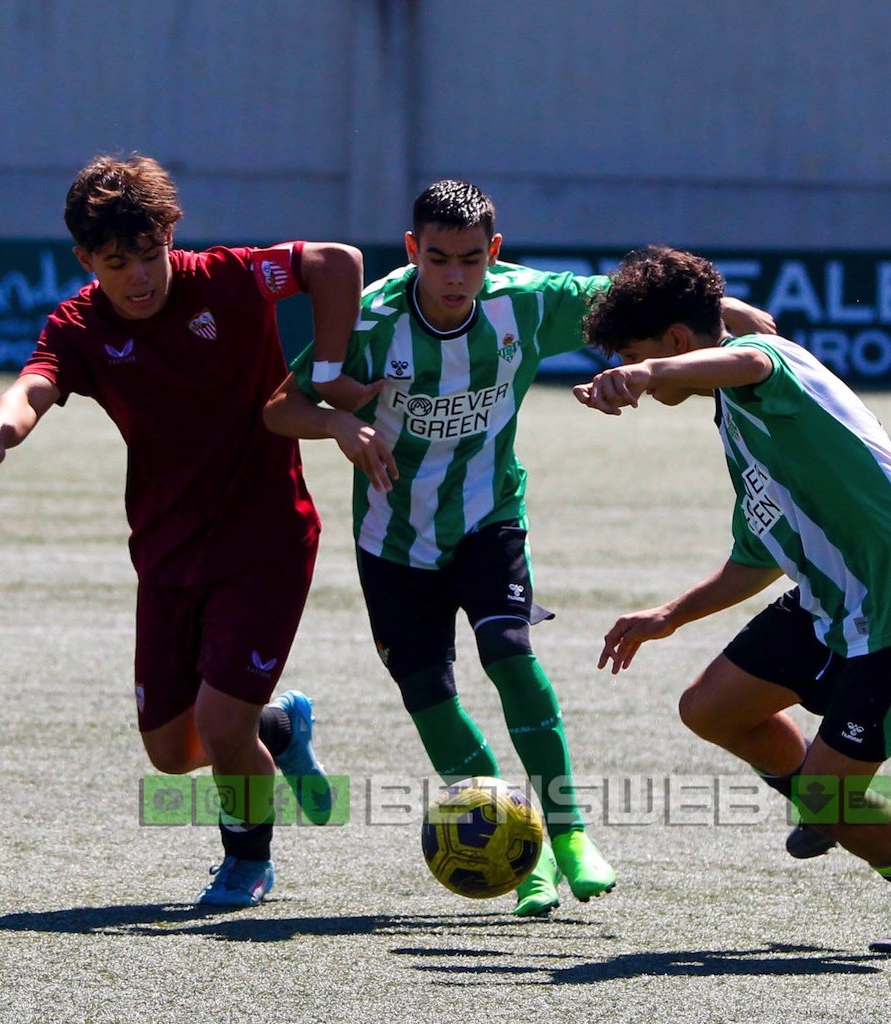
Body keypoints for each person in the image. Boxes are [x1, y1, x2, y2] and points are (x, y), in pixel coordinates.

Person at [264, 181, 775, 916]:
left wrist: (726, 314)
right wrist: (341, 427)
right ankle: (523, 852)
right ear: (412, 251)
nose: (453, 278)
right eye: (436, 259)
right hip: (392, 537)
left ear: (492, 255)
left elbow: (638, 298)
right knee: (428, 693)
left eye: (470, 260)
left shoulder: (527, 301)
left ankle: (568, 835)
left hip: (488, 515)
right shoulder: (373, 318)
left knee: (509, 649)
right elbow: (281, 407)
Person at [0, 154, 364, 908]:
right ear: (85, 260)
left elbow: (336, 261)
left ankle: (246, 861)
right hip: (165, 551)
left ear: (172, 235)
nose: (138, 277)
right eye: (115, 262)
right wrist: (1, 431)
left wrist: (327, 372)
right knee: (172, 752)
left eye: (149, 254)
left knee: (221, 729)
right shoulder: (81, 324)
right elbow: (35, 383)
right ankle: (282, 729)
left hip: (265, 541)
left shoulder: (229, 277)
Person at [573, 245, 891, 955]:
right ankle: (822, 802)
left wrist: (647, 373)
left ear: (676, 344)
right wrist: (667, 617)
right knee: (709, 708)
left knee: (832, 798)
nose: (623, 365)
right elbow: (755, 556)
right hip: (830, 601)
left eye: (631, 351)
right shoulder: (739, 421)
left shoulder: (769, 370)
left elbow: (750, 352)